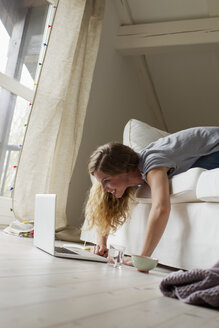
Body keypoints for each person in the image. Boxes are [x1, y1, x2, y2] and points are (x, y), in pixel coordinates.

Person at [85, 126, 219, 265]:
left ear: (123, 170)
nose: (104, 189)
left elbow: (161, 208)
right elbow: (105, 205)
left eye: (106, 181)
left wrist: (141, 258)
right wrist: (102, 245)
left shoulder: (152, 164)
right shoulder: (135, 173)